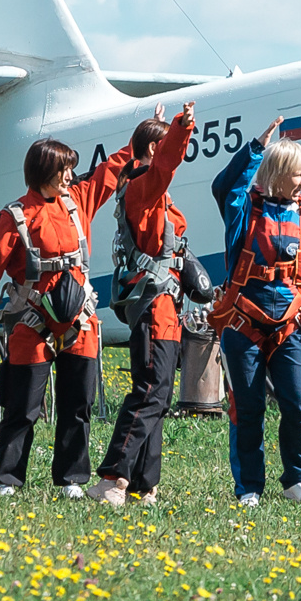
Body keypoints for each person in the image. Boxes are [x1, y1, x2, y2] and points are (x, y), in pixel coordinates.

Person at [0, 134, 132, 497]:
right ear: (43, 171)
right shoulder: (16, 216)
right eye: (63, 169)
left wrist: (145, 140)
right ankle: (9, 479)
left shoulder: (77, 202)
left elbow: (109, 172)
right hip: (32, 323)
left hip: (79, 322)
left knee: (77, 404)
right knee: (22, 407)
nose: (70, 176)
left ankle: (71, 479)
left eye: (70, 169)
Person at [209, 117, 301, 505]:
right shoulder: (243, 211)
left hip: (291, 327)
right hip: (243, 323)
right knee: (247, 409)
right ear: (279, 174)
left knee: (300, 404)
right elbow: (225, 186)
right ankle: (249, 488)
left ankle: (298, 481)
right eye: (299, 175)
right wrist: (254, 149)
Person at [95, 102, 197, 506]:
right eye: (166, 145)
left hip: (163, 306)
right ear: (153, 150)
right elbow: (167, 163)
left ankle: (143, 483)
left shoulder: (144, 190)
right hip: (155, 306)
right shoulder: (143, 186)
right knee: (152, 390)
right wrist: (181, 127)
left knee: (158, 392)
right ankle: (112, 477)